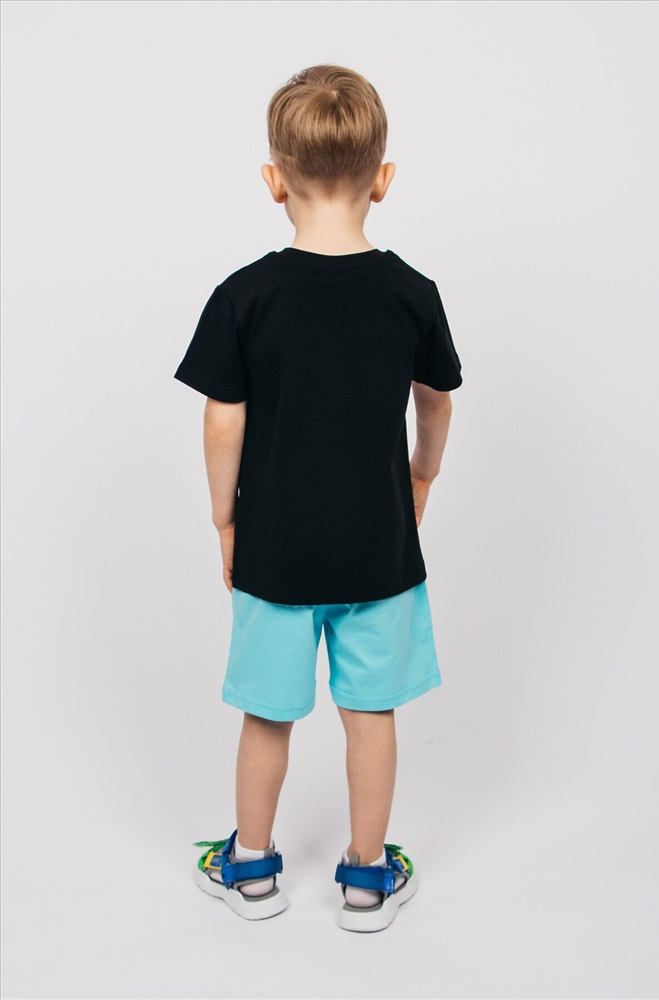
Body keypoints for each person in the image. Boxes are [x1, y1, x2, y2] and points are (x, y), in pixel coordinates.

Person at [174, 64, 463, 933]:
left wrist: (224, 517)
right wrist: (422, 475)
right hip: (379, 548)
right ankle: (366, 879)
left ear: (274, 181)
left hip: (275, 547)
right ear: (383, 178)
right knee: (368, 713)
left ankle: (251, 869)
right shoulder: (412, 294)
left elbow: (222, 421)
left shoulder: (244, 296)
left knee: (268, 715)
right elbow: (436, 402)